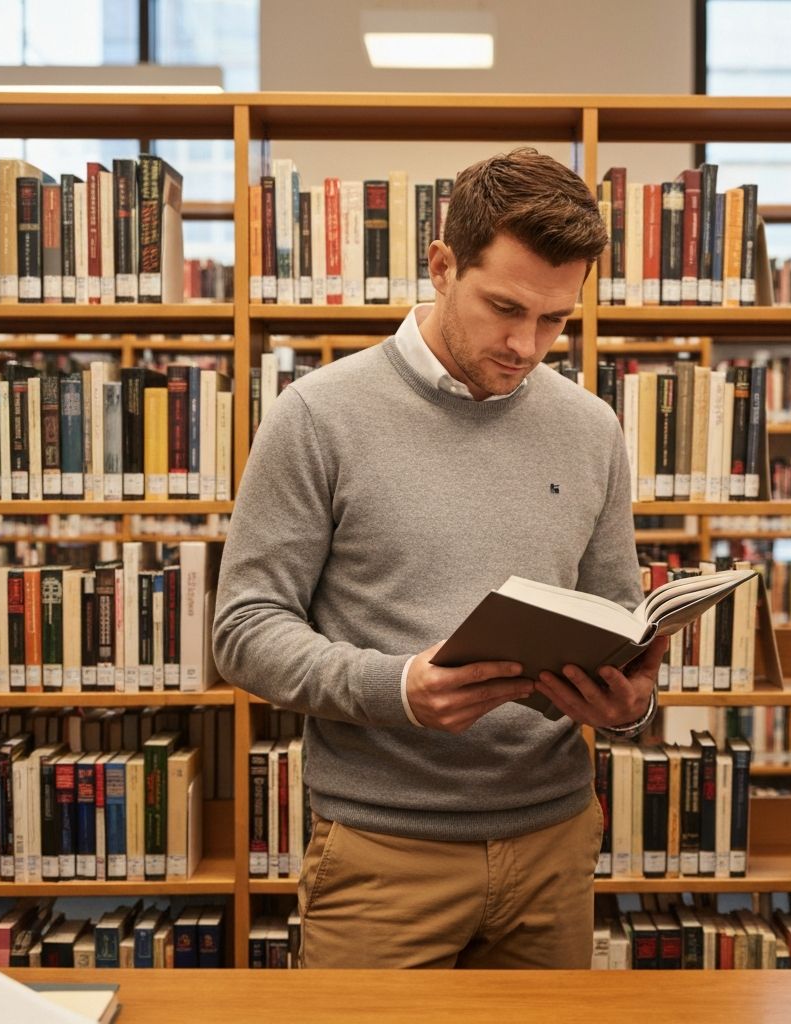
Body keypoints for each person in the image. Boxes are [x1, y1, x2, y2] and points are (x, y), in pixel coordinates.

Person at [212, 147, 667, 970]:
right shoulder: (317, 415)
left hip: (555, 841)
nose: (527, 345)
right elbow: (245, 629)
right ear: (441, 264)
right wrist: (399, 689)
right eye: (505, 308)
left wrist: (629, 707)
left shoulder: (592, 427)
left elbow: (618, 617)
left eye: (556, 319)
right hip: (385, 854)